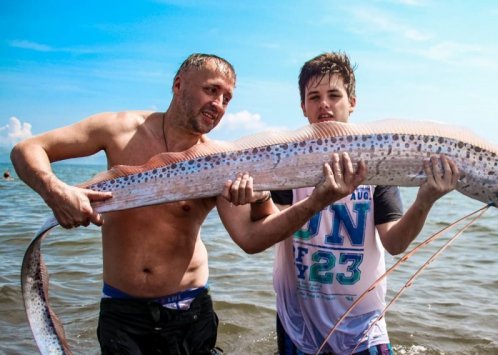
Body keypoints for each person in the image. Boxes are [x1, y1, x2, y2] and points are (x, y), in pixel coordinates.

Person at [10, 53, 364, 354]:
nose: (219, 105)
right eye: (211, 90)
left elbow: (250, 238)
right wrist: (56, 191)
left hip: (191, 311)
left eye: (227, 98)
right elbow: (27, 150)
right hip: (121, 310)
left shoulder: (220, 159)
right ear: (178, 84)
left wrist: (316, 201)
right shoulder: (117, 129)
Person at [270, 52, 461, 354]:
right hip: (298, 325)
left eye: (334, 94)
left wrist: (425, 200)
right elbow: (270, 231)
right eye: (314, 96)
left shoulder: (374, 163)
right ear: (303, 106)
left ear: (352, 102)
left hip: (364, 328)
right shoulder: (287, 163)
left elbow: (394, 243)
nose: (324, 104)